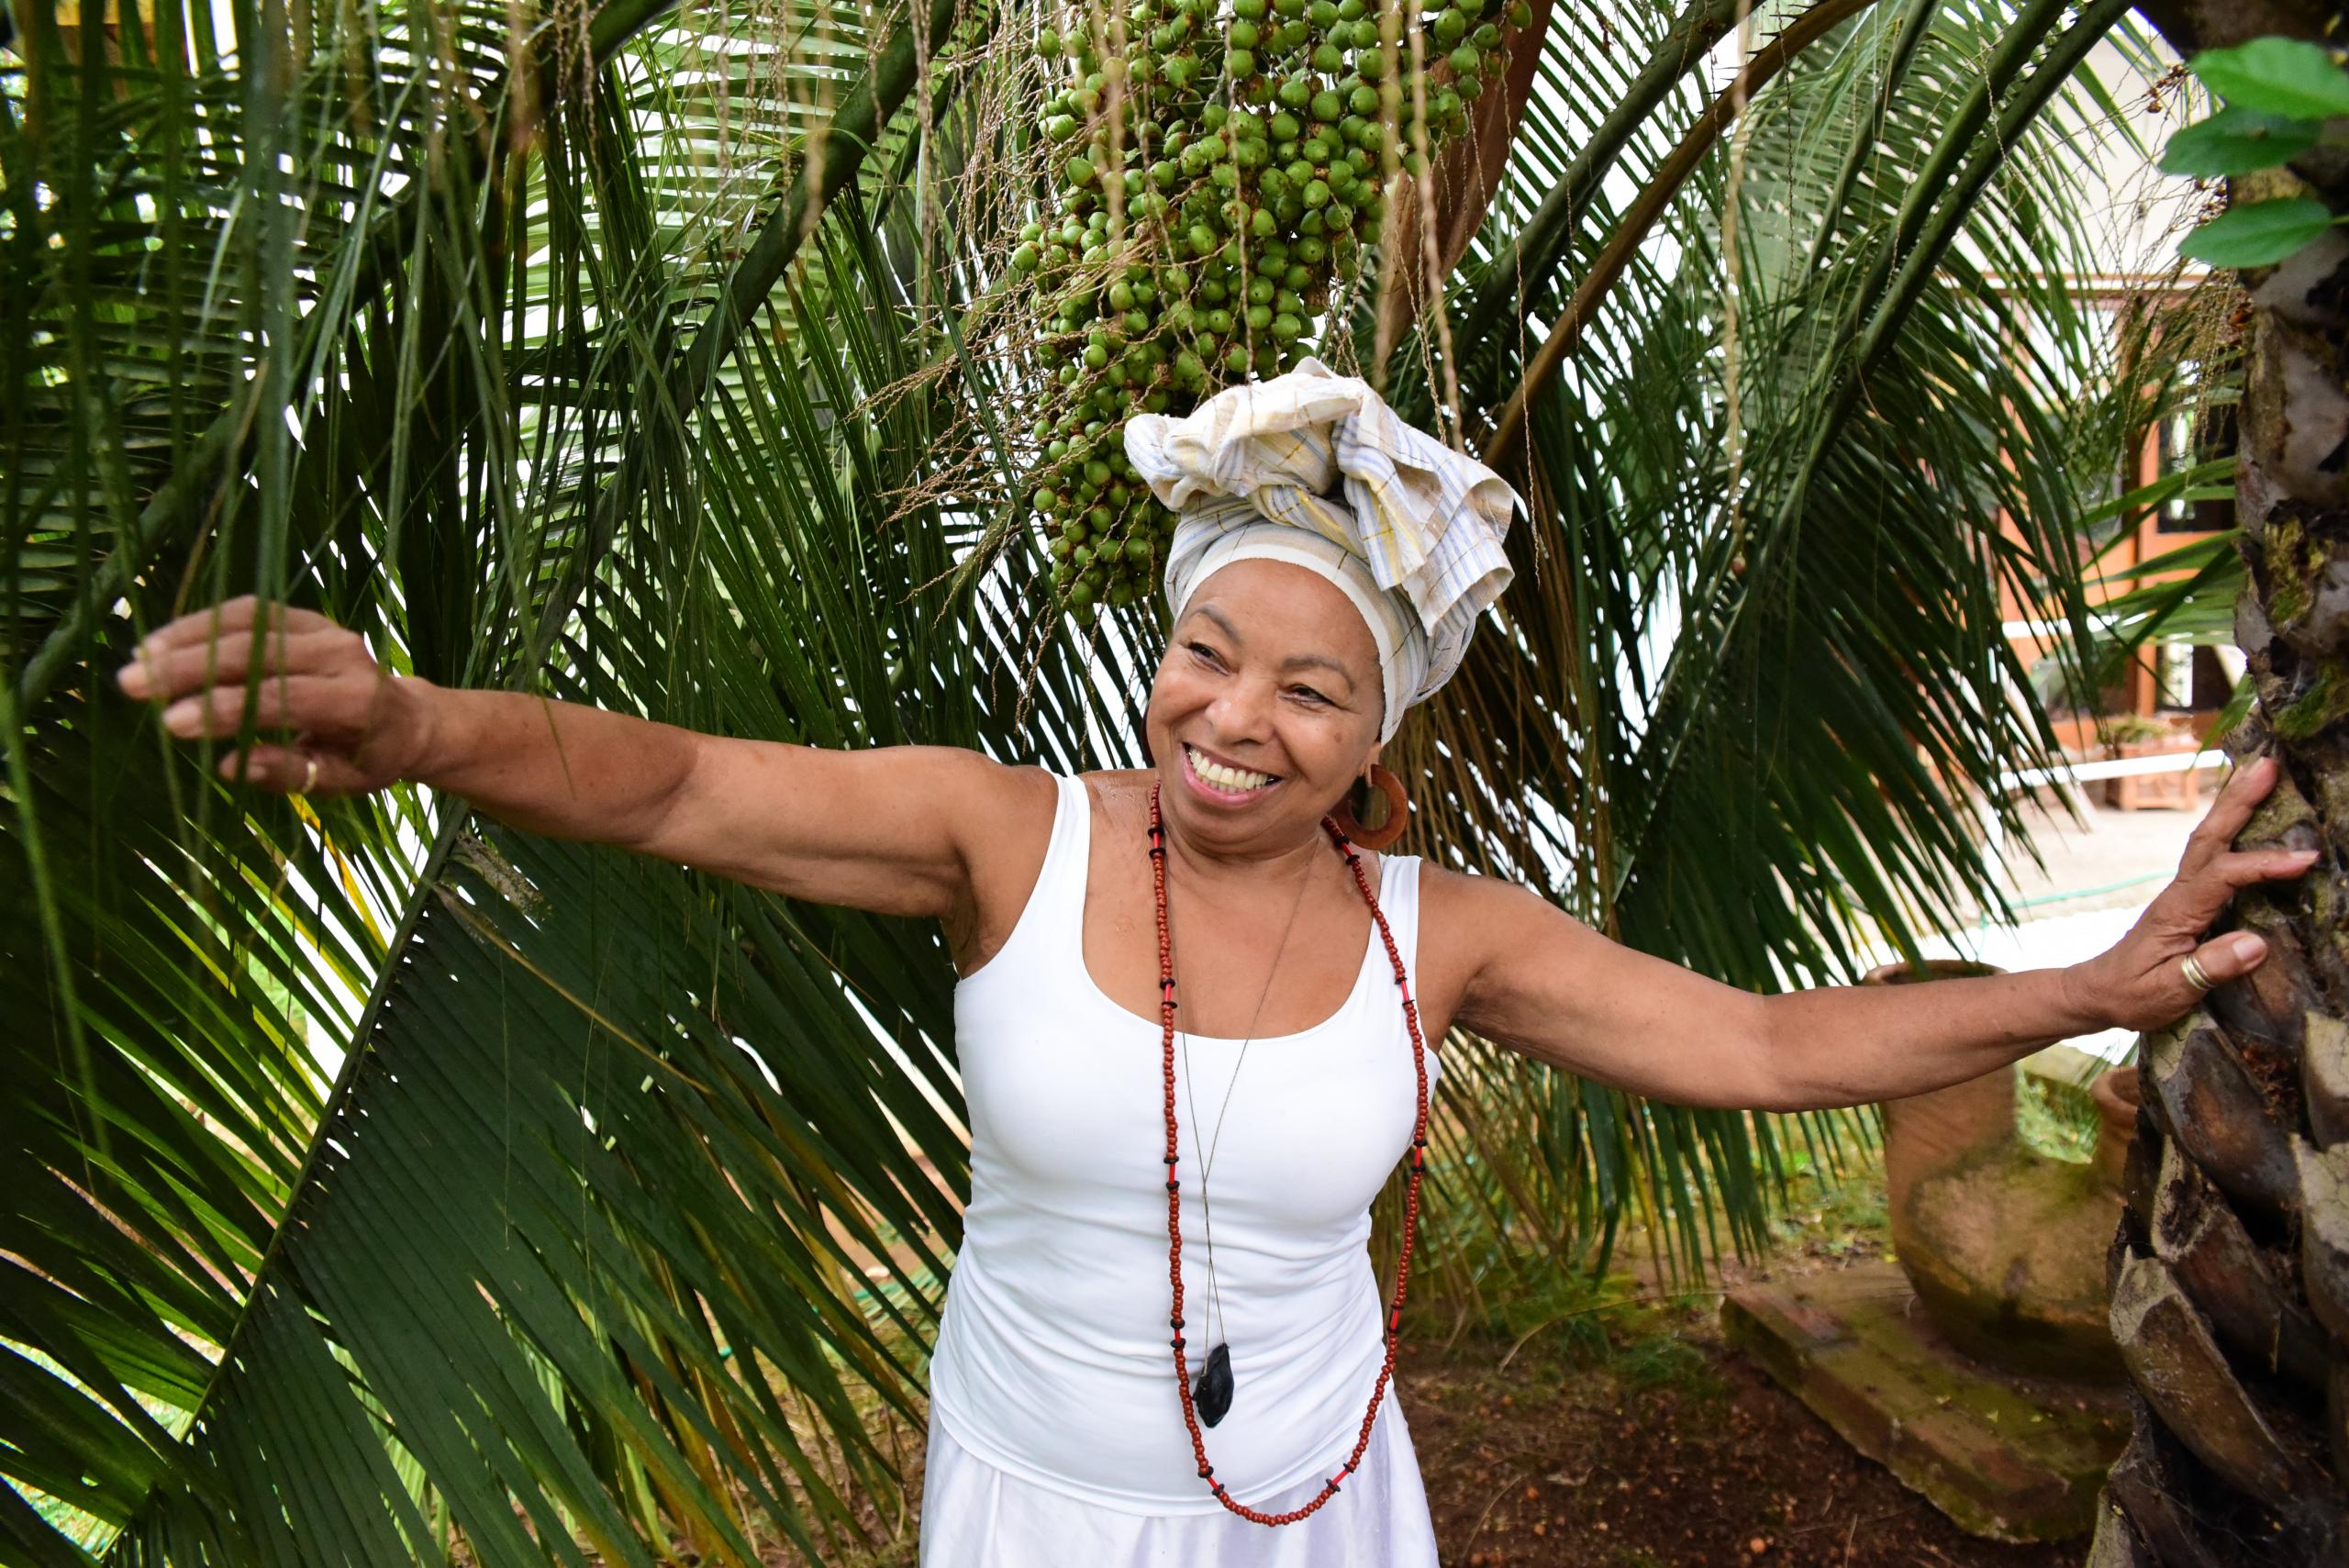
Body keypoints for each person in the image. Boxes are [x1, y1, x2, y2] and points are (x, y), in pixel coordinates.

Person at [118, 362, 2316, 1567]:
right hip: (1030, 1495)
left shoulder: (1439, 933)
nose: (1230, 718)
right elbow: (683, 781)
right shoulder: (1004, 835)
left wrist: (2087, 989)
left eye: (1306, 687)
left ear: (1376, 737)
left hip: (1307, 1518)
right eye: (1203, 650)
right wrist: (419, 726)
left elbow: (1753, 1043)